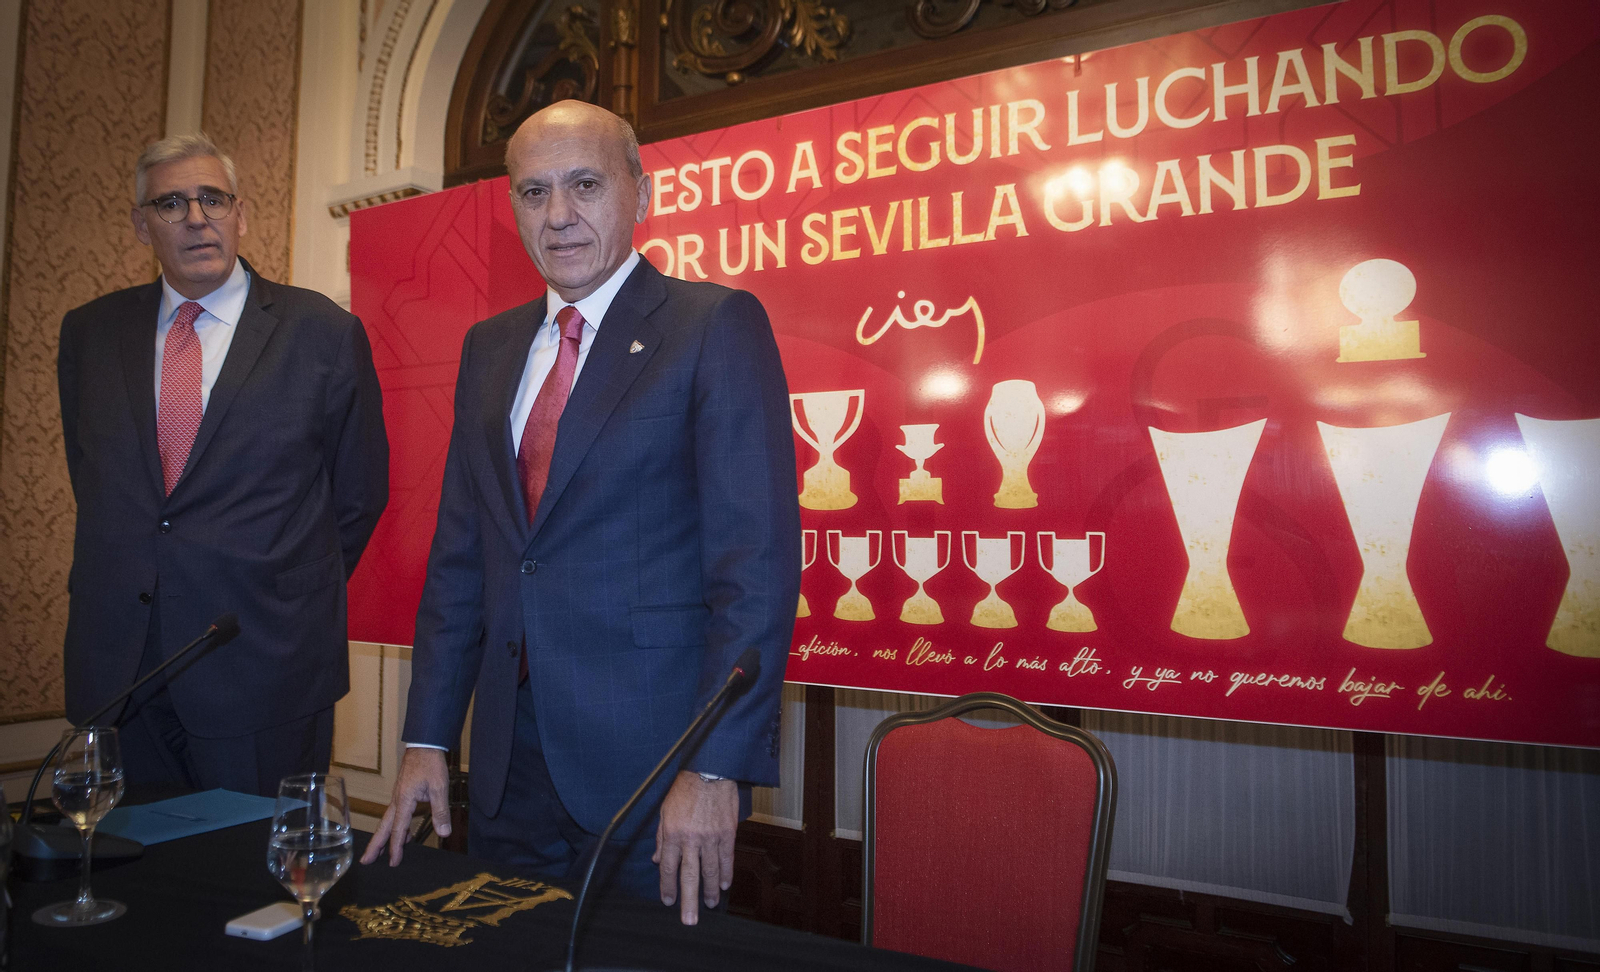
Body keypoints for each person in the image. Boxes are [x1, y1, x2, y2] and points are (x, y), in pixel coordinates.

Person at [362, 101, 799, 925]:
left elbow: (757, 570)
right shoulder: (488, 349)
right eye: (533, 193)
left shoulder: (713, 327)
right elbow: (463, 560)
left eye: (585, 185)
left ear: (643, 193)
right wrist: (427, 739)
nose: (558, 216)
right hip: (503, 774)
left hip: (653, 769)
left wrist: (713, 769)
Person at [56, 133, 389, 797]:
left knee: (256, 883)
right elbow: (96, 477)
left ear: (241, 214)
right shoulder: (89, 334)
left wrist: (277, 589)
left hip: (266, 662)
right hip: (123, 666)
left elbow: (359, 496)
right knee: (138, 882)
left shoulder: (322, 333)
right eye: (171, 203)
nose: (196, 218)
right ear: (141, 224)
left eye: (213, 199)